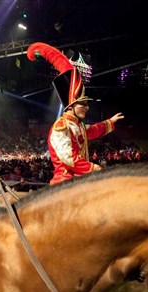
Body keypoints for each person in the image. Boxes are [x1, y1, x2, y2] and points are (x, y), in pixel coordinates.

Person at [27, 42, 124, 185]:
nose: (87, 107)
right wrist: (92, 167)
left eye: (87, 104)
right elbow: (68, 158)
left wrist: (110, 122)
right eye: (82, 104)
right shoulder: (61, 126)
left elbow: (93, 130)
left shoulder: (78, 126)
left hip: (79, 180)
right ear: (71, 106)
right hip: (65, 182)